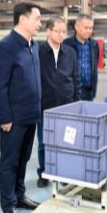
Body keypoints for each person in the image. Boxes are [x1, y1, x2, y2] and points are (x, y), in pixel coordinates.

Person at [0, 2, 42, 213]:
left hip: (31, 115)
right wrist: (4, 118)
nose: (40, 23)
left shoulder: (34, 46)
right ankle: (8, 205)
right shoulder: (6, 47)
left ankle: (20, 196)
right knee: (9, 161)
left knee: (24, 159)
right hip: (13, 119)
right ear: (23, 19)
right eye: (37, 18)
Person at [36, 18, 81, 187]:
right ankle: (44, 173)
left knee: (65, 142)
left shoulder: (70, 52)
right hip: (44, 106)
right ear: (48, 31)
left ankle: (63, 173)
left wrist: (76, 103)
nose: (61, 35)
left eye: (64, 32)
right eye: (58, 31)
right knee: (44, 142)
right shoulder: (38, 51)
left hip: (66, 106)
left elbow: (76, 78)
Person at [63, 14, 99, 101]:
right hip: (72, 91)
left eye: (91, 28)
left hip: (89, 91)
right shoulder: (66, 44)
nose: (89, 31)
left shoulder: (94, 45)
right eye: (86, 28)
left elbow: (95, 67)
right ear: (76, 27)